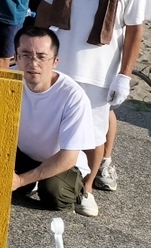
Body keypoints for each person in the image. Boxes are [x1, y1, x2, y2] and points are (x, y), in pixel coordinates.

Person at [35, 0, 151, 205]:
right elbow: (44, 11)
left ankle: (87, 188)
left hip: (100, 70)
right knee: (51, 125)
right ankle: (45, 176)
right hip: (60, 64)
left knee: (93, 133)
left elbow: (134, 30)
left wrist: (124, 75)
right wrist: (37, 53)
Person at [11, 26, 99, 216]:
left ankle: (80, 191)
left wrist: (19, 180)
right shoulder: (7, 80)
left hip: (60, 160)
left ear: (55, 61)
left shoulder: (72, 96)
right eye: (25, 55)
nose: (33, 63)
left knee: (55, 193)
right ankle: (30, 182)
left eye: (41, 57)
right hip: (23, 153)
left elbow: (68, 156)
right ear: (16, 58)